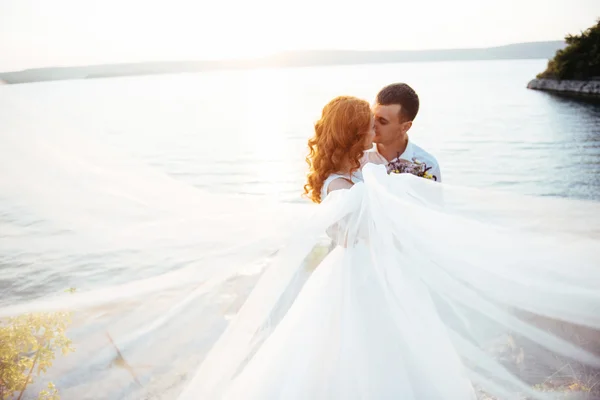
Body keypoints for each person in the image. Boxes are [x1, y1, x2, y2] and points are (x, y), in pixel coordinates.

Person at [179, 96, 600, 399]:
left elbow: (418, 211)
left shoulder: (372, 166)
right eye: (368, 123)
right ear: (355, 130)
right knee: (359, 347)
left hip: (391, 270)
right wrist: (376, 186)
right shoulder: (338, 183)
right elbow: (346, 236)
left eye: (378, 122)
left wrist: (380, 181)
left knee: (406, 341)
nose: (374, 129)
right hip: (356, 276)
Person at [363, 83, 441, 182]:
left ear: (405, 127)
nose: (373, 124)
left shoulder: (428, 165)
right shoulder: (357, 157)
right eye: (372, 116)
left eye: (382, 121)